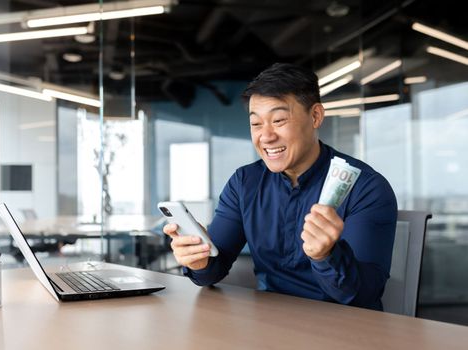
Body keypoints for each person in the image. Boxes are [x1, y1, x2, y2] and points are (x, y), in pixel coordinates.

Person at [163, 63, 397, 310]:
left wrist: (326, 256)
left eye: (279, 120)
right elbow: (213, 271)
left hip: (345, 330)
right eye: (256, 124)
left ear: (316, 116)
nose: (266, 136)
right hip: (270, 323)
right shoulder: (244, 183)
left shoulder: (366, 187)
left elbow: (363, 296)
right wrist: (198, 260)